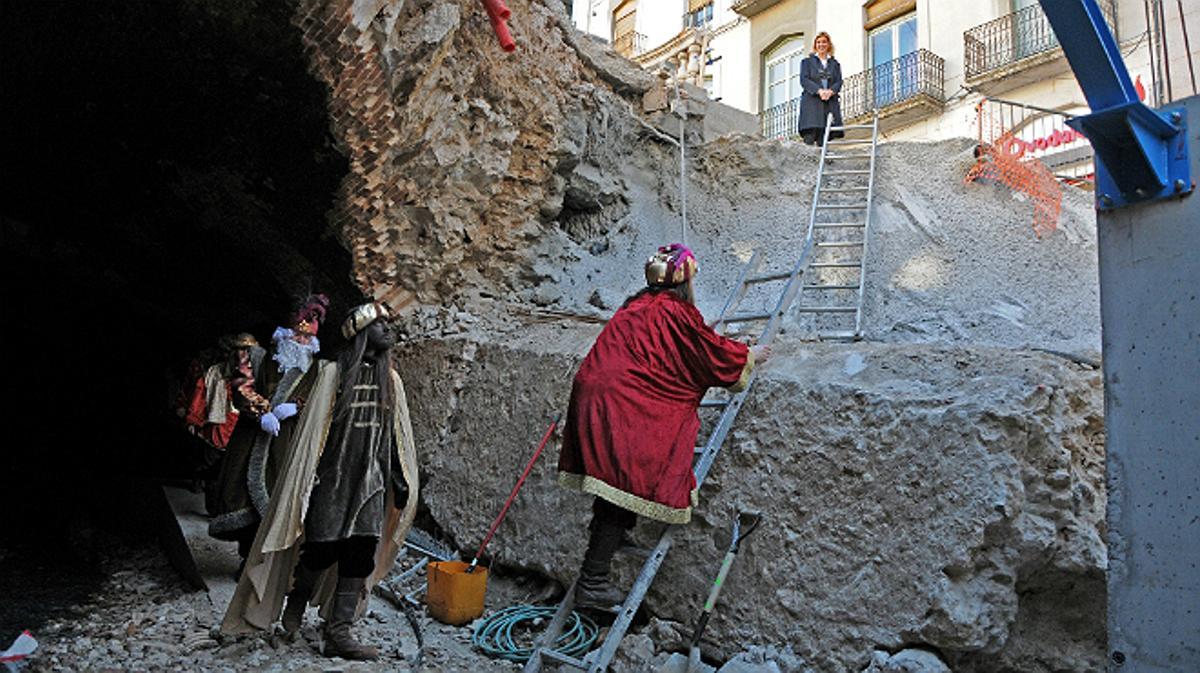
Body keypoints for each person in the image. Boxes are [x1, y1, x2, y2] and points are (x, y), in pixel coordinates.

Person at [558, 244, 770, 610]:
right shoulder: (675, 313)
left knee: (616, 477)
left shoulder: (635, 306)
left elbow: (679, 348)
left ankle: (616, 535)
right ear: (685, 281)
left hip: (594, 393)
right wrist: (750, 355)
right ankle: (593, 582)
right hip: (623, 402)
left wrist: (715, 340)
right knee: (625, 476)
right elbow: (708, 355)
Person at [221, 301, 419, 662]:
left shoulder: (390, 381)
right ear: (361, 333)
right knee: (322, 547)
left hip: (370, 482)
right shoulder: (334, 373)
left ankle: (339, 632)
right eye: (380, 324)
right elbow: (315, 430)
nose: (388, 331)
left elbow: (394, 435)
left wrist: (399, 477)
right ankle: (297, 599)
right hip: (334, 478)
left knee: (360, 552)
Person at [207, 294, 329, 564]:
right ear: (285, 334)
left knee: (278, 498)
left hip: (287, 442)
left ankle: (263, 564)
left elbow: (326, 399)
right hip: (251, 438)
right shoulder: (258, 357)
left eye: (306, 338)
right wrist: (261, 412)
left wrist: (298, 407)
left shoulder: (319, 370)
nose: (301, 340)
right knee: (242, 500)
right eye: (297, 336)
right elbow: (241, 387)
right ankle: (246, 557)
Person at [797, 31, 843, 146]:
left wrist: (831, 91)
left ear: (828, 45)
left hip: (829, 103)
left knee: (825, 135)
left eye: (824, 42)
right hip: (812, 102)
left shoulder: (835, 64)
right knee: (810, 135)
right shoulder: (807, 62)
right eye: (818, 42)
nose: (821, 45)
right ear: (815, 45)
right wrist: (819, 91)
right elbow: (804, 80)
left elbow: (838, 81)